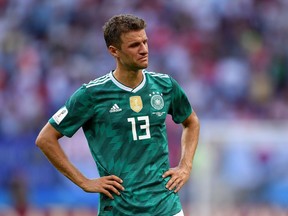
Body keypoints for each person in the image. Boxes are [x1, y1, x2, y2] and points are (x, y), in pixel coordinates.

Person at [35, 14, 200, 216]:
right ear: (114, 51)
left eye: (145, 42)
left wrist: (185, 166)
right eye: (134, 45)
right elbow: (46, 138)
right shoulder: (92, 94)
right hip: (119, 209)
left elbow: (191, 122)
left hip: (165, 206)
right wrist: (84, 181)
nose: (144, 50)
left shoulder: (165, 85)